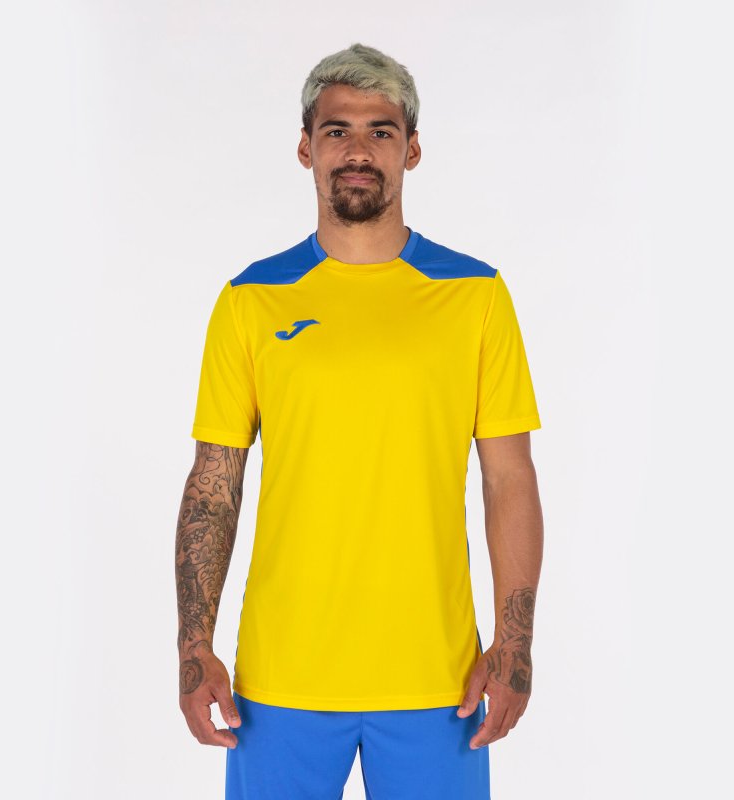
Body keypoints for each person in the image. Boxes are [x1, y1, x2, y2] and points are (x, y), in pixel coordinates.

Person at [176, 42, 544, 800]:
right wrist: (193, 646)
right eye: (337, 130)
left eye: (381, 130)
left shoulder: (476, 295)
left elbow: (509, 479)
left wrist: (515, 645)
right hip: (279, 679)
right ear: (306, 147)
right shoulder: (250, 300)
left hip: (440, 681)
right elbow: (215, 483)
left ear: (412, 149)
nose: (358, 150)